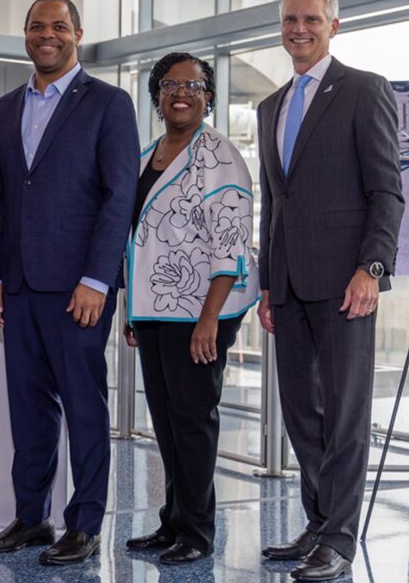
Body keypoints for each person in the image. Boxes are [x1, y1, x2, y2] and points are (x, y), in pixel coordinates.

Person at [0, 0, 139, 566]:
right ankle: (31, 517)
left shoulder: (110, 104)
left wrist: (98, 279)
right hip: (18, 285)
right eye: (38, 27)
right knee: (29, 407)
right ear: (24, 34)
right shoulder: (1, 109)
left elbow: (120, 197)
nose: (48, 35)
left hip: (78, 290)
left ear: (78, 33)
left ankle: (86, 521)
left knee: (84, 408)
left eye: (59, 27)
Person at [257, 0, 403, 581]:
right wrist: (268, 282)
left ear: (333, 26)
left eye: (311, 19)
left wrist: (371, 269)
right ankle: (318, 524)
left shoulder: (364, 90)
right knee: (302, 415)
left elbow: (386, 191)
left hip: (347, 285)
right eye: (291, 19)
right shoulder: (270, 107)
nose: (299, 29)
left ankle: (339, 541)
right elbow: (274, 203)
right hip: (289, 287)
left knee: (344, 416)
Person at [123, 53, 259, 565]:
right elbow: (136, 240)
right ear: (158, 94)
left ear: (208, 96)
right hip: (157, 309)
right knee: (165, 420)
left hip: (203, 312)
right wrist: (136, 312)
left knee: (193, 420)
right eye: (171, 84)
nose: (181, 92)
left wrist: (208, 320)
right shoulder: (145, 154)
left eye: (194, 85)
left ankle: (198, 533)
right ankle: (173, 522)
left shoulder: (220, 156)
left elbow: (230, 247)